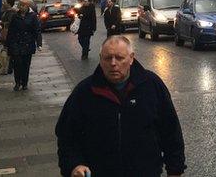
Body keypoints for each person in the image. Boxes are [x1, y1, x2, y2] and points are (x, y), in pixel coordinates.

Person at [55, 35, 185, 177]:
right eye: (107, 58)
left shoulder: (151, 85)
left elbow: (171, 131)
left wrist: (175, 170)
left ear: (131, 58)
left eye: (119, 58)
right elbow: (66, 135)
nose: (113, 63)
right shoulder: (85, 92)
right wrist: (74, 165)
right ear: (100, 58)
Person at [5, 0, 41, 91]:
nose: (21, 7)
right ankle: (17, 82)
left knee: (25, 64)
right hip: (16, 43)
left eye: (23, 6)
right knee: (17, 64)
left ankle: (24, 83)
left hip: (27, 43)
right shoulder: (15, 16)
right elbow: (11, 31)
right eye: (20, 6)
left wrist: (39, 43)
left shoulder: (33, 16)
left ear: (27, 6)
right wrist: (7, 44)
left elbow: (37, 30)